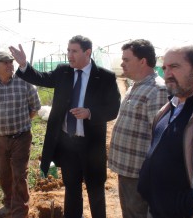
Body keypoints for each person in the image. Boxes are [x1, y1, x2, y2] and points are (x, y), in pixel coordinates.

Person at [9, 35, 121, 218]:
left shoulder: (105, 77)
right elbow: (41, 78)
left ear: (87, 52)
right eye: (68, 50)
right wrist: (23, 65)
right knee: (72, 188)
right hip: (67, 145)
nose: (69, 55)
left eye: (74, 51)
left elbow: (113, 109)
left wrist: (90, 113)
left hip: (91, 146)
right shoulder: (63, 72)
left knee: (95, 190)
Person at [138, 45, 193, 218]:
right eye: (165, 68)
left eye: (175, 67)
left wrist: (186, 206)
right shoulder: (167, 110)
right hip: (155, 210)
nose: (167, 74)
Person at [108, 39, 168, 218]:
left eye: (126, 60)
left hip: (140, 173)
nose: (121, 64)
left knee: (138, 214)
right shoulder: (135, 86)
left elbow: (161, 138)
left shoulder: (157, 90)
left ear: (142, 61)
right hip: (128, 169)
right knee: (129, 212)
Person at [0, 51, 41, 218]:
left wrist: (22, 120)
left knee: (19, 174)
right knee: (3, 173)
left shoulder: (24, 82)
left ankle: (19, 211)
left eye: (10, 62)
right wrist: (0, 121)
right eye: (5, 62)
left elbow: (35, 107)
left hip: (20, 136)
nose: (10, 65)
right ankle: (9, 203)